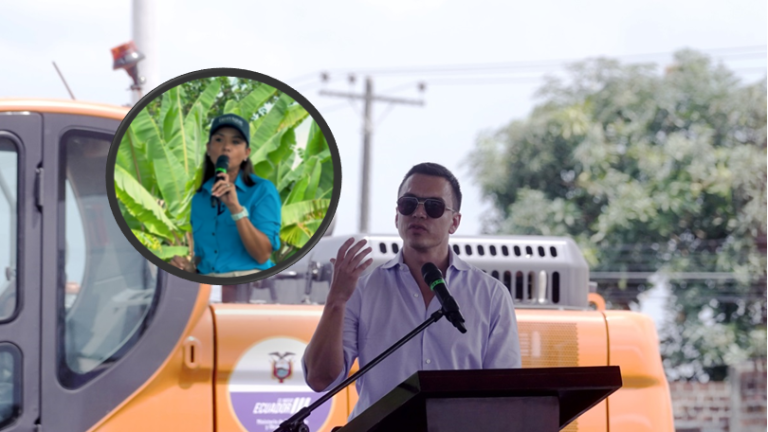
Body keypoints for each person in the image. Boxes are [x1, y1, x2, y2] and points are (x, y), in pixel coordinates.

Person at [302, 162, 521, 419]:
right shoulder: (362, 290)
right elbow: (319, 380)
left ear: (454, 222)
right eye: (409, 204)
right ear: (397, 216)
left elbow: (506, 396)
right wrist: (336, 301)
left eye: (433, 206)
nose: (419, 213)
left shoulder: (491, 296)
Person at [170, 113, 281, 277]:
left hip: (248, 279)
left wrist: (235, 208)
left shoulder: (262, 190)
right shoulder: (199, 198)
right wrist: (189, 268)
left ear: (246, 153)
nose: (226, 147)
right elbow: (201, 256)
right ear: (208, 149)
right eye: (219, 140)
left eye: (235, 142)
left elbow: (262, 254)